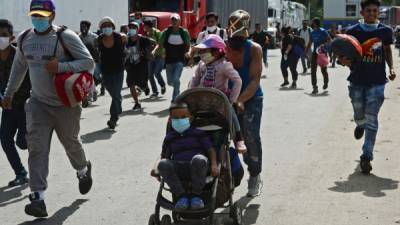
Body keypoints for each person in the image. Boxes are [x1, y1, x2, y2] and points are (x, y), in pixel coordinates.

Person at [2, 0, 94, 217]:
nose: (38, 19)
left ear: (52, 15)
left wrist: (60, 66)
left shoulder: (65, 37)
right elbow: (18, 69)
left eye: (43, 15)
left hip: (66, 105)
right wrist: (9, 93)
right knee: (37, 150)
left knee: (71, 143)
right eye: (35, 15)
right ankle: (38, 198)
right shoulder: (25, 38)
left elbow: (88, 62)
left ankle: (83, 169)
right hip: (38, 105)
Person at [341, 0, 396, 174]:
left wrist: (392, 68)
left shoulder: (385, 31)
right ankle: (360, 123)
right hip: (357, 80)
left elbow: (387, 50)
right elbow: (344, 54)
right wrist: (343, 60)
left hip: (377, 81)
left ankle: (366, 155)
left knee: (372, 117)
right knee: (359, 111)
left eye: (375, 11)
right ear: (362, 12)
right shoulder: (353, 31)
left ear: (378, 12)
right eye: (368, 11)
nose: (372, 14)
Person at [225, 10, 264, 197]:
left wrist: (240, 100)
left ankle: (255, 175)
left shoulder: (255, 48)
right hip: (226, 98)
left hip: (252, 98)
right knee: (223, 137)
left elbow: (255, 79)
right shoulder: (222, 48)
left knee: (250, 137)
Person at [154, 102, 218, 210]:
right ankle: (181, 196)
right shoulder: (170, 138)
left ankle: (196, 196)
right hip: (179, 167)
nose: (179, 120)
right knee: (163, 164)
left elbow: (210, 149)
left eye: (183, 117)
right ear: (170, 120)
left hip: (199, 166)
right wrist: (156, 168)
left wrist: (214, 164)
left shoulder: (198, 133)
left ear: (191, 118)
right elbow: (164, 156)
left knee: (198, 159)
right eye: (176, 118)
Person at [190, 34, 246, 153]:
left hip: (219, 101)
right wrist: (190, 94)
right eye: (200, 50)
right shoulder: (201, 65)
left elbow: (237, 81)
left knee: (231, 110)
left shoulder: (224, 65)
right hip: (201, 99)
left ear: (216, 51)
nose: (201, 53)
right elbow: (195, 79)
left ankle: (239, 139)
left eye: (204, 51)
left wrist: (231, 100)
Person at [0, 19, 30, 187]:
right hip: (8, 107)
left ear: (11, 37)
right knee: (4, 139)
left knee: (22, 143)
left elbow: (32, 80)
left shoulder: (20, 56)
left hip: (25, 105)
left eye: (4, 35)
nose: (0, 38)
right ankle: (21, 173)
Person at [98, 17, 127, 129]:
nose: (106, 28)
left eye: (108, 25)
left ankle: (113, 119)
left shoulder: (120, 37)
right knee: (114, 94)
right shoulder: (99, 39)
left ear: (113, 27)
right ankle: (118, 103)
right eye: (104, 26)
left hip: (118, 70)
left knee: (115, 94)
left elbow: (126, 48)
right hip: (105, 71)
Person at [158, 13, 190, 102]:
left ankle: (175, 99)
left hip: (179, 60)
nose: (174, 22)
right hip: (168, 61)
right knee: (170, 82)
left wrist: (188, 53)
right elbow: (160, 44)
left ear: (179, 21)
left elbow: (188, 45)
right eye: (173, 20)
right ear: (171, 21)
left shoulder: (184, 32)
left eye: (176, 20)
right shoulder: (166, 32)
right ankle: (177, 89)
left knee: (176, 79)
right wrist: (157, 52)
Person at [125, 22, 155, 111]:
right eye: (130, 27)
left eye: (133, 27)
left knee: (141, 82)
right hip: (130, 65)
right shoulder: (126, 40)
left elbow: (153, 43)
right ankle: (137, 103)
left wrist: (149, 53)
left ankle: (145, 87)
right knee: (131, 83)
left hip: (142, 64)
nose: (131, 29)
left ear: (137, 29)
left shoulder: (143, 39)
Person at [304, 18, 332, 94]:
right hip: (315, 53)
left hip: (322, 53)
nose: (311, 24)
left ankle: (326, 82)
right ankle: (315, 87)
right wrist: (305, 52)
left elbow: (330, 40)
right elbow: (310, 43)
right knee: (313, 70)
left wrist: (324, 45)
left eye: (312, 22)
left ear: (315, 23)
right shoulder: (312, 33)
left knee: (323, 70)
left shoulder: (323, 31)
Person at [144, 19, 166, 98]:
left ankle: (162, 85)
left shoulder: (157, 32)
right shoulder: (146, 34)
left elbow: (161, 44)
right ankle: (155, 91)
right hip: (151, 57)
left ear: (148, 26)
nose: (144, 27)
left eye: (145, 26)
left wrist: (162, 53)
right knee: (150, 75)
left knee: (157, 72)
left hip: (160, 55)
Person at [79, 20, 99, 105]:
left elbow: (98, 48)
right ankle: (94, 91)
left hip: (92, 60)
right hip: (81, 61)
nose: (82, 28)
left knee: (89, 76)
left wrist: (98, 58)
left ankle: (89, 96)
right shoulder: (78, 37)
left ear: (88, 27)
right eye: (81, 26)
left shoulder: (94, 37)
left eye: (84, 27)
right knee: (86, 77)